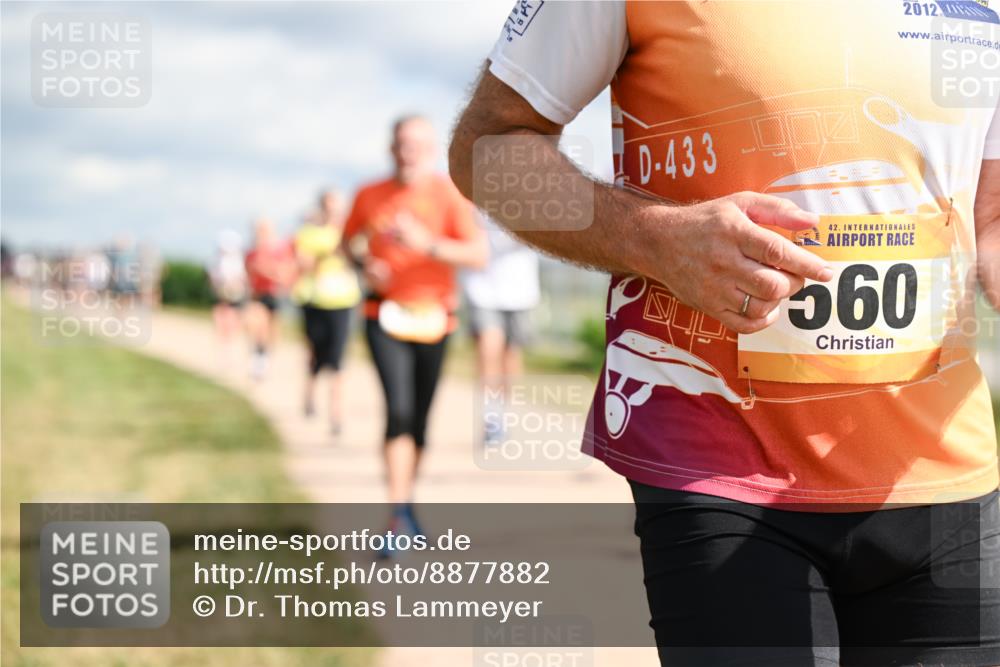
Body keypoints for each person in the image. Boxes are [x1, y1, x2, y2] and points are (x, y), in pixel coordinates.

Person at [450, 2, 1000, 665]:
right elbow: (488, 150)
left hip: (946, 472)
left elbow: (987, 214)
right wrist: (649, 237)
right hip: (718, 456)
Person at [343, 114, 487, 537]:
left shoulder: (448, 194)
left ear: (430, 150)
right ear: (391, 148)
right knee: (398, 410)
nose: (409, 152)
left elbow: (478, 255)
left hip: (435, 318)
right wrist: (364, 264)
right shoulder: (368, 194)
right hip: (382, 313)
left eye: (418, 145)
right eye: (402, 144)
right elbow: (346, 245)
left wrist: (428, 245)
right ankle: (397, 514)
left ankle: (406, 502)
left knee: (420, 420)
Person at [462, 211, 540, 445]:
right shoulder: (470, 192)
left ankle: (504, 415)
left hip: (520, 291)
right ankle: (490, 418)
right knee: (488, 350)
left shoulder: (529, 197)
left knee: (511, 356)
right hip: (481, 288)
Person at [292, 190, 361, 437]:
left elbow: (361, 259)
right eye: (329, 207)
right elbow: (303, 264)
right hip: (313, 299)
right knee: (315, 352)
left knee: (338, 359)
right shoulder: (308, 233)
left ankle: (336, 414)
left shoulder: (352, 234)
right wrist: (329, 253)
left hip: (343, 301)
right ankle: (309, 395)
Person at [244, 217, 295, 380]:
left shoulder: (280, 249)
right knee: (256, 326)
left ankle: (264, 357)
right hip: (258, 294)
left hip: (276, 294)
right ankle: (258, 356)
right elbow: (249, 272)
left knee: (272, 333)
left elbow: (285, 273)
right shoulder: (251, 251)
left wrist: (265, 269)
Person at [208, 229, 249, 365]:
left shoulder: (237, 260)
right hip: (222, 294)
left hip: (234, 294)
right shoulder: (218, 260)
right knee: (222, 322)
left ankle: (228, 349)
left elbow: (242, 279)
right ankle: (224, 350)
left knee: (231, 323)